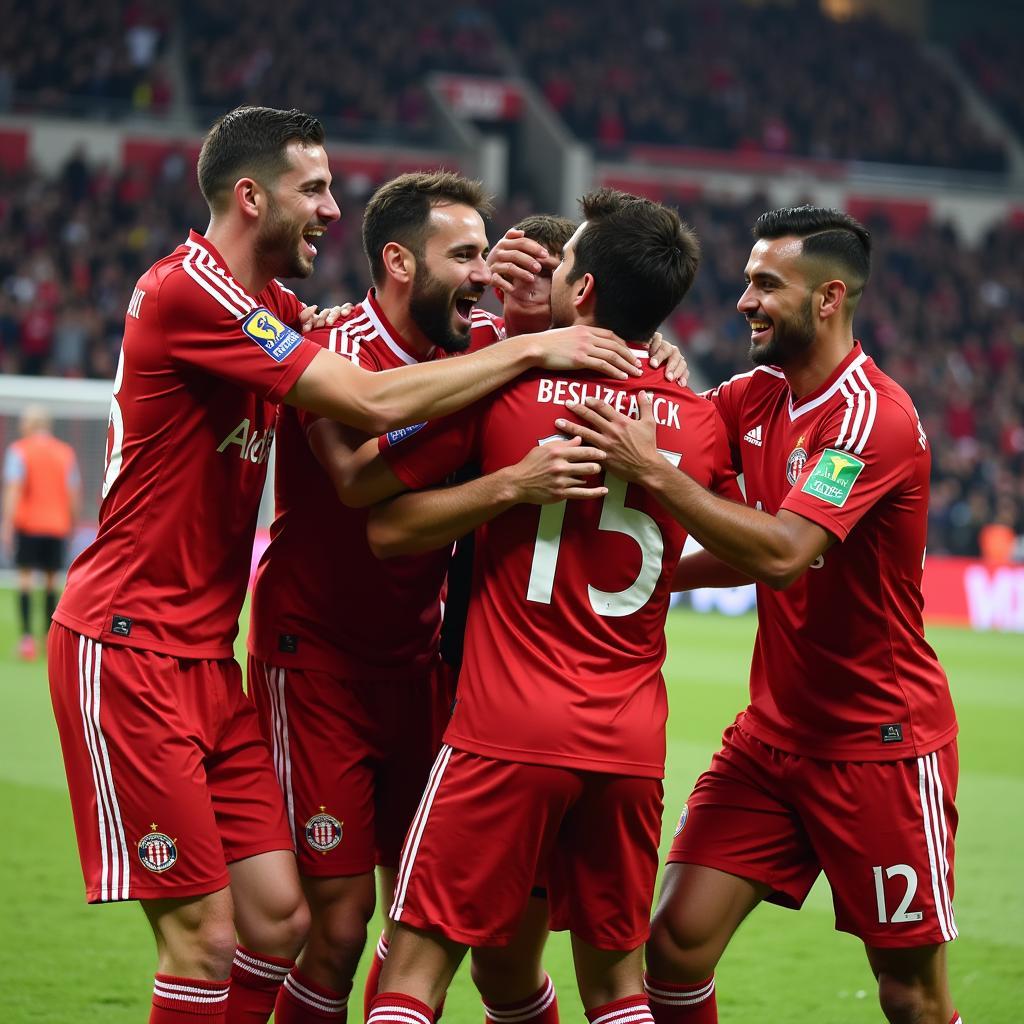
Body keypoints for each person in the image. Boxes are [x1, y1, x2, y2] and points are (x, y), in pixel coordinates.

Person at [45, 105, 641, 1024]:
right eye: (313, 189)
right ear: (251, 195)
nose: (333, 209)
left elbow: (364, 336)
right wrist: (533, 343)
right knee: (216, 936)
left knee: (278, 922)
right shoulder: (189, 290)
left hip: (218, 656)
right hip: (132, 643)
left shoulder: (277, 310)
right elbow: (362, 404)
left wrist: (554, 321)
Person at [556, 206, 962, 1024]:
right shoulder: (756, 396)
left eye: (766, 284)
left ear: (829, 299)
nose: (744, 299)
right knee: (671, 950)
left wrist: (657, 479)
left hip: (879, 748)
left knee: (911, 995)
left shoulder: (870, 421)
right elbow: (678, 429)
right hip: (772, 744)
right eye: (746, 280)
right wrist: (650, 372)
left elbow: (780, 552)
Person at [346, 188, 736, 1024]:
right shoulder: (703, 423)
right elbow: (749, 545)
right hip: (630, 745)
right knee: (618, 991)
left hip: (505, 729)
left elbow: (379, 513)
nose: (547, 270)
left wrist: (508, 477)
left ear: (584, 291)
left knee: (412, 969)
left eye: (563, 263)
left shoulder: (508, 395)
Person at [1, 404, 80, 660]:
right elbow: (73, 494)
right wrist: (72, 523)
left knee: (24, 579)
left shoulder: (19, 451)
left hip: (28, 524)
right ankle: (49, 638)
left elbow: (14, 489)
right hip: (57, 525)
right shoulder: (65, 453)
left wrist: (7, 524)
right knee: (50, 581)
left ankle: (27, 641)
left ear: (29, 425)